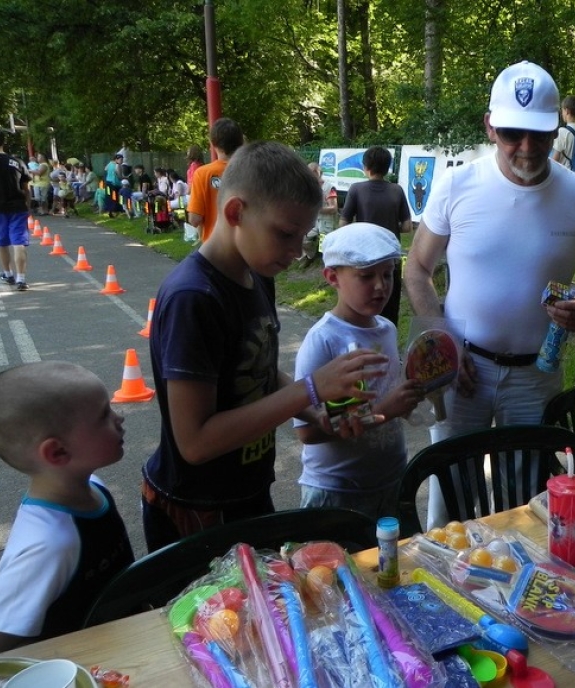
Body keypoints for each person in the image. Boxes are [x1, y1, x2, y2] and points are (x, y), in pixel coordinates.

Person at [142, 140, 390, 552]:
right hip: (197, 507)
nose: (296, 253)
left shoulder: (257, 274)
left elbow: (257, 366)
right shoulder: (194, 298)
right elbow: (195, 442)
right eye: (286, 234)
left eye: (303, 236)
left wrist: (318, 414)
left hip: (248, 491)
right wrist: (310, 389)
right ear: (236, 212)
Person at [404, 61, 575, 529]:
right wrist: (445, 344)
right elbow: (417, 269)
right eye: (511, 134)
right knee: (452, 498)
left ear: (557, 128)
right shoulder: (457, 185)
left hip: (537, 374)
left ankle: (519, 592)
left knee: (524, 499)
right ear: (489, 126)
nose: (526, 148)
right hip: (464, 369)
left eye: (539, 135)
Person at [0, 361, 135, 651]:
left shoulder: (95, 485)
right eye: (104, 416)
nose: (119, 417)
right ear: (58, 452)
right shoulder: (48, 545)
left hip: (123, 642)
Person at [293, 222, 424, 518]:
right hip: (336, 492)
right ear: (332, 277)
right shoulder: (323, 340)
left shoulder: (387, 329)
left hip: (390, 481)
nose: (381, 286)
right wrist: (385, 410)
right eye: (366, 276)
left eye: (388, 274)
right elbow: (307, 431)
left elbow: (387, 396)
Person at [339, 146, 412, 324]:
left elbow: (343, 223)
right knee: (389, 310)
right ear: (388, 168)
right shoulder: (397, 190)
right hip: (390, 260)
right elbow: (407, 227)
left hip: (364, 259)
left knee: (363, 309)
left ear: (366, 167)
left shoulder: (356, 189)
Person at [187, 118, 244, 245]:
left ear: (213, 143)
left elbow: (194, 219)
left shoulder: (203, 174)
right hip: (247, 249)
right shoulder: (252, 171)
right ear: (241, 141)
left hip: (214, 249)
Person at [0, 128, 30, 291]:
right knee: (18, 241)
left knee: (1, 241)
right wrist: (28, 205)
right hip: (17, 206)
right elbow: (26, 187)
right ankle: (21, 279)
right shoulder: (16, 162)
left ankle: (8, 274)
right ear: (4, 141)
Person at [298, 162, 339, 269]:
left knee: (325, 245)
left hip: (327, 221)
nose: (311, 175)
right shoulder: (309, 187)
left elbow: (334, 208)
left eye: (314, 172)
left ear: (320, 172)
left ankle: (327, 260)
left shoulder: (330, 188)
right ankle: (310, 256)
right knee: (302, 238)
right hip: (314, 220)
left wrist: (316, 209)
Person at [551, 95, 575, 171]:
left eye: (562, 111)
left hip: (566, 175)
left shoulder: (562, 131)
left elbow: (555, 160)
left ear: (567, 111)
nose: (562, 114)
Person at [103, 152, 125, 218]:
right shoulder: (117, 165)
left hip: (108, 183)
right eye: (120, 160)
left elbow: (105, 169)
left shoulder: (110, 164)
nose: (122, 161)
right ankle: (117, 210)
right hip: (115, 185)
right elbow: (119, 176)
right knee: (116, 197)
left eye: (122, 159)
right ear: (116, 159)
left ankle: (109, 209)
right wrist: (125, 177)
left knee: (109, 197)